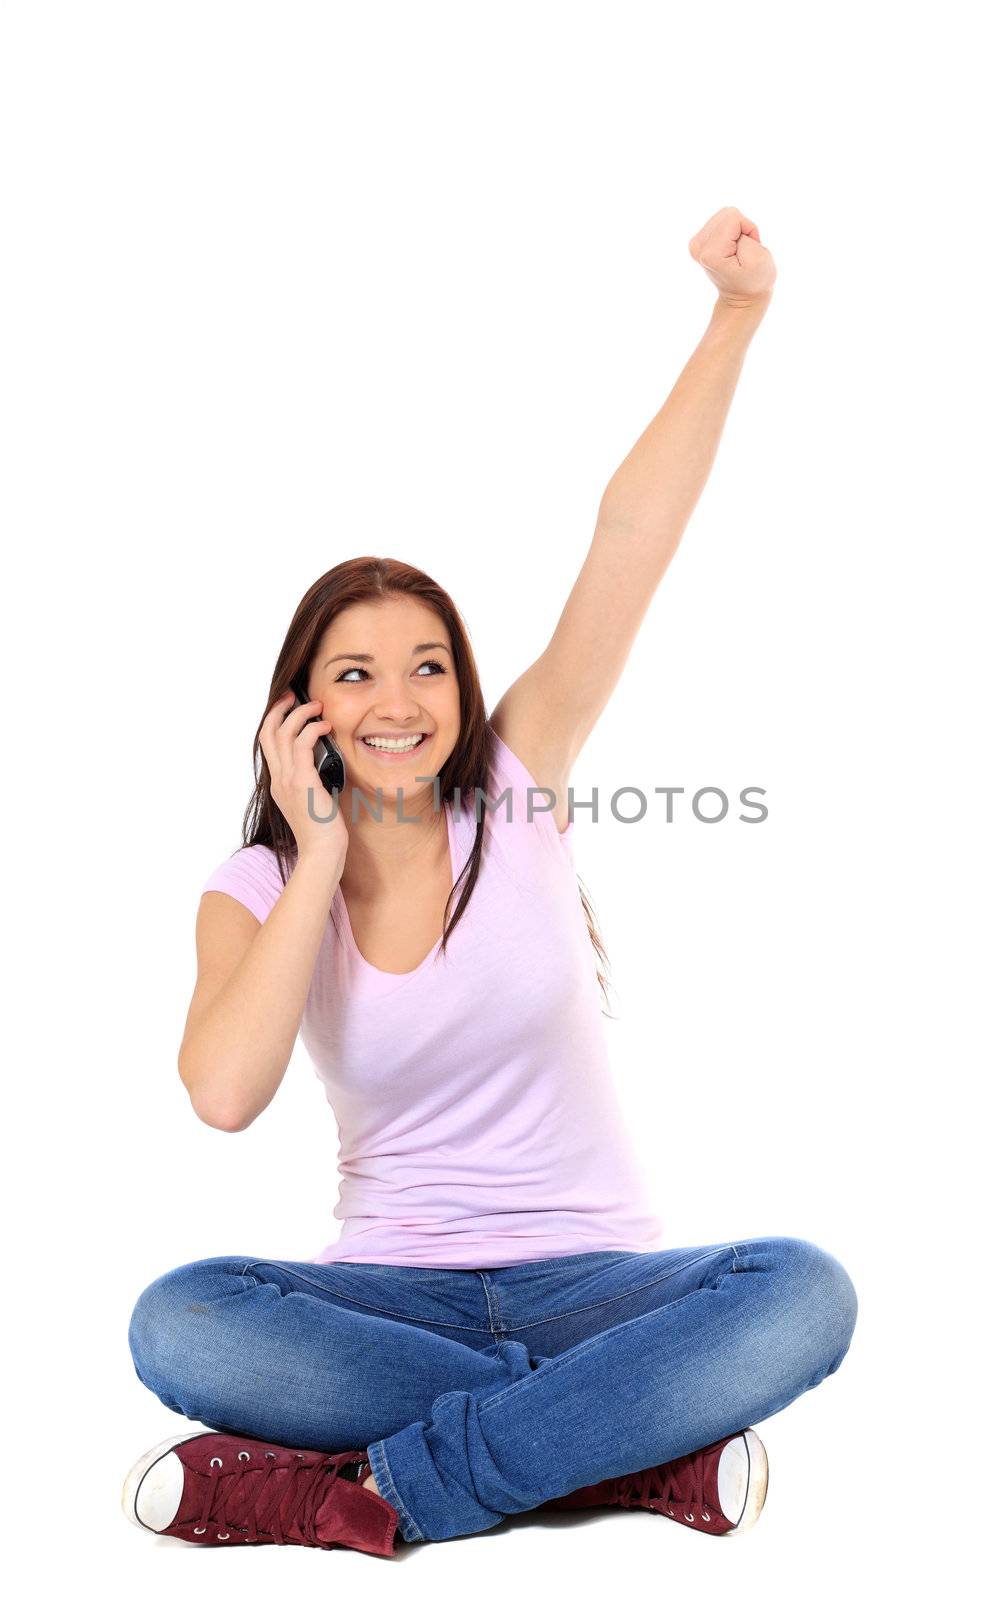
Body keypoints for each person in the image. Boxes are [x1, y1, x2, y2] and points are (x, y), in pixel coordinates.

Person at [123, 206, 858, 1556]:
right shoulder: (252, 886)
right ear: (303, 710)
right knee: (180, 1317)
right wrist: (321, 854)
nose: (397, 701)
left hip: (602, 1286)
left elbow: (628, 536)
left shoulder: (521, 777)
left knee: (804, 1292)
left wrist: (736, 317)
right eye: (355, 673)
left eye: (427, 665)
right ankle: (627, 1455)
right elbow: (225, 1095)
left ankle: (385, 1492)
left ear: (463, 686)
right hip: (387, 1305)